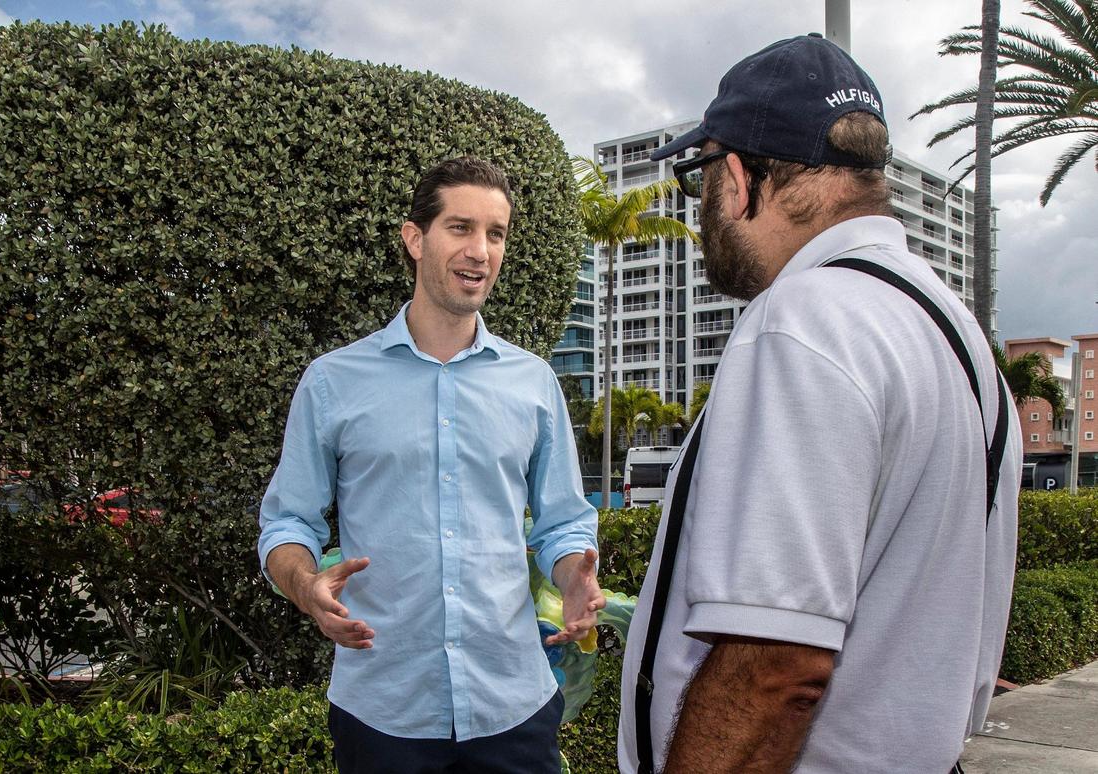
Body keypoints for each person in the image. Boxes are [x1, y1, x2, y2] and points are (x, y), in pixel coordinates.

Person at [618, 34, 1020, 773]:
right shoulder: (953, 330)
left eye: (698, 176)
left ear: (738, 177)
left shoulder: (803, 319)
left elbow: (775, 666)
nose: (705, 203)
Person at [258, 156, 604, 774]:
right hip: (383, 709)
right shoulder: (333, 382)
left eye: (496, 234)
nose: (480, 250)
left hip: (514, 705)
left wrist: (574, 576)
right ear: (415, 239)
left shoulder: (533, 382)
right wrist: (306, 588)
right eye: (461, 228)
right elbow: (287, 523)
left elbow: (561, 524)